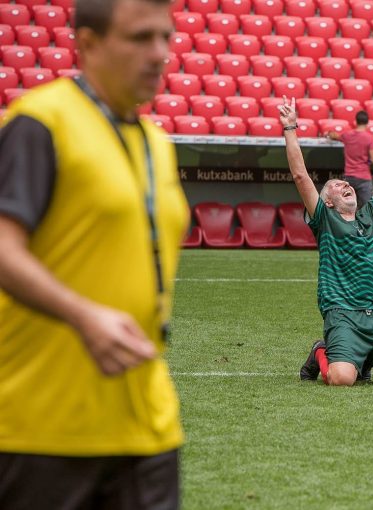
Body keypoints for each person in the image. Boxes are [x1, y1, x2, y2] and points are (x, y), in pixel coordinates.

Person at [0, 0, 185, 508]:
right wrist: (82, 316)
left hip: (148, 427)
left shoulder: (157, 142)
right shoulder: (41, 122)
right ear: (87, 43)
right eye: (140, 38)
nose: (159, 54)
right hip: (44, 430)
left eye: (166, 38)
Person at [280, 96, 373, 386]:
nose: (345, 185)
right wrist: (290, 129)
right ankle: (320, 352)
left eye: (346, 183)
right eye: (336, 186)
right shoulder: (324, 219)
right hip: (344, 315)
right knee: (341, 380)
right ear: (327, 201)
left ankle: (368, 355)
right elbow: (300, 175)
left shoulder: (371, 215)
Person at [325, 110, 373, 208]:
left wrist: (328, 133)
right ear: (367, 122)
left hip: (349, 177)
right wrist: (367, 161)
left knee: (346, 208)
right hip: (364, 178)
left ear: (355, 121)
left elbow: (333, 135)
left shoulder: (347, 135)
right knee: (368, 209)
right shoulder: (370, 138)